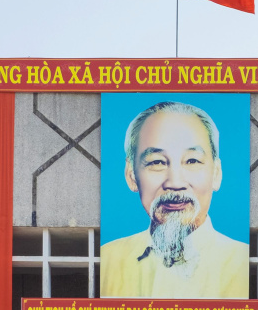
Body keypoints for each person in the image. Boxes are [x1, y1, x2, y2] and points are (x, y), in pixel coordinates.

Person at [101, 101, 248, 298]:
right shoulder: (105, 261)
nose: (175, 183)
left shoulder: (246, 263)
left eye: (192, 161)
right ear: (131, 175)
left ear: (216, 173)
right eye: (157, 162)